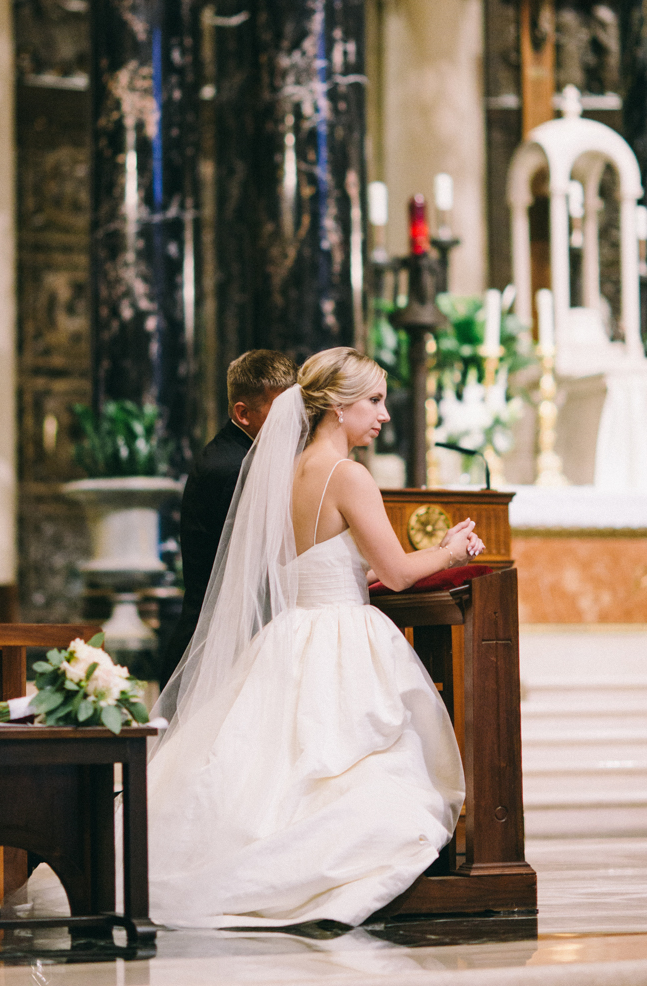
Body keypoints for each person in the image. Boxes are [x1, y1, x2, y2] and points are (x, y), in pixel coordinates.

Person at [146, 347, 483, 928]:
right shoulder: (348, 475)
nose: (381, 415)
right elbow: (399, 573)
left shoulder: (286, 470)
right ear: (337, 407)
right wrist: (451, 550)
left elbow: (323, 564)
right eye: (373, 401)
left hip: (289, 632)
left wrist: (382, 566)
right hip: (339, 635)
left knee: (272, 767)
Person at [159, 350, 298, 685]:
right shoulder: (233, 468)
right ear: (243, 413)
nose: (294, 420)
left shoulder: (240, 453)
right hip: (216, 653)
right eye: (281, 410)